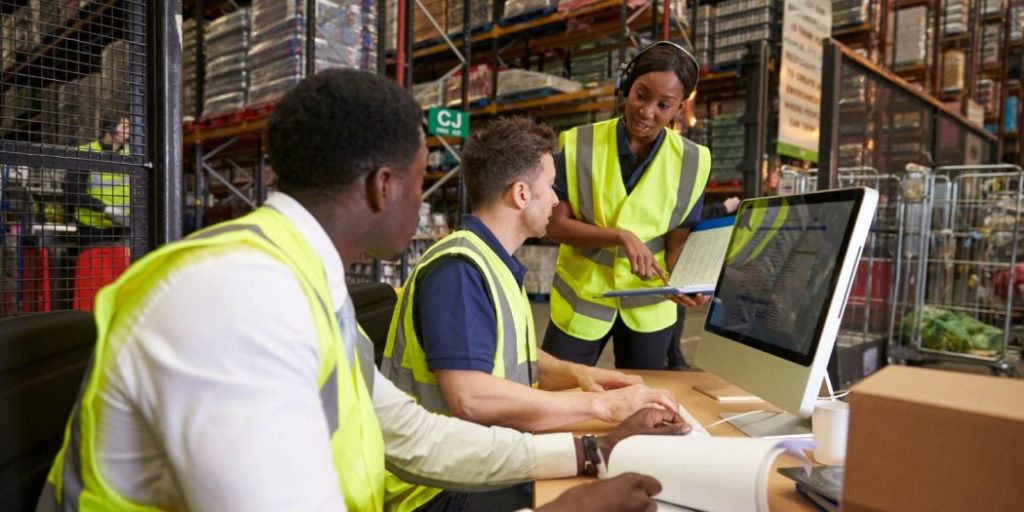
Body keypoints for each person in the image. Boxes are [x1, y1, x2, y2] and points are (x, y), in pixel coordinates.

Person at [37, 70, 690, 512]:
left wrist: (586, 450)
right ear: (384, 186)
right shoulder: (233, 299)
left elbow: (410, 435)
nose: (424, 193)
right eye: (417, 176)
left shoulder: (307, 282)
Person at [381, 116, 681, 511]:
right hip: (434, 490)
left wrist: (580, 375)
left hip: (478, 462)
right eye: (550, 186)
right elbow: (471, 398)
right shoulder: (458, 270)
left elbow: (505, 355)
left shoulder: (489, 261)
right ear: (521, 194)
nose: (556, 199)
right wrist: (602, 408)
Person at [544, 41, 712, 370]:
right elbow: (555, 226)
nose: (647, 111)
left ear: (679, 109)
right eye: (641, 95)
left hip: (649, 305)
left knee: (643, 403)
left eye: (664, 105)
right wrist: (619, 236)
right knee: (555, 389)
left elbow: (677, 239)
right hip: (582, 299)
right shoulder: (578, 142)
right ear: (627, 88)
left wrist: (685, 282)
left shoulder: (694, 161)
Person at [665, 195, 742, 370]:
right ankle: (675, 359)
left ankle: (674, 357)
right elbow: (690, 216)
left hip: (674, 262)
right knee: (675, 308)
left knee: (676, 309)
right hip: (667, 264)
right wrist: (722, 208)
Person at [66, 115, 132, 247]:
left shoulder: (131, 155)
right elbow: (72, 192)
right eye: (125, 127)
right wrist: (105, 209)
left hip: (124, 228)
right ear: (110, 130)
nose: (129, 131)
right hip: (92, 229)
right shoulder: (85, 153)